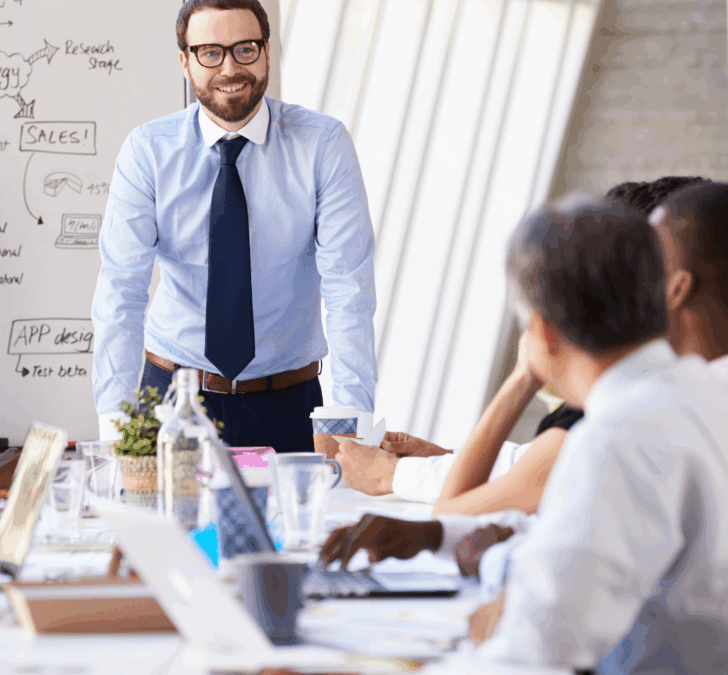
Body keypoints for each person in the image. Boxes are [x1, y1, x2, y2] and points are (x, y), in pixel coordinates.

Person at [323, 196, 728, 673]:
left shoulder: (620, 439)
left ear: (543, 333)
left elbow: (532, 652)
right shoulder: (704, 394)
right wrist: (438, 535)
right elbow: (575, 533)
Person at [91, 0, 376, 454]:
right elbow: (120, 293)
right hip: (171, 400)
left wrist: (349, 428)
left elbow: (349, 292)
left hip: (289, 404)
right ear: (185, 60)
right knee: (165, 526)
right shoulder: (148, 151)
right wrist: (115, 431)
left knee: (302, 525)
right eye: (210, 52)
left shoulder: (322, 145)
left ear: (266, 52)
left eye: (245, 49)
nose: (229, 67)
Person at [336, 176, 710, 513]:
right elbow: (530, 469)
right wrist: (443, 458)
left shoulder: (614, 427)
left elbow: (467, 508)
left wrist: (398, 475)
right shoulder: (682, 391)